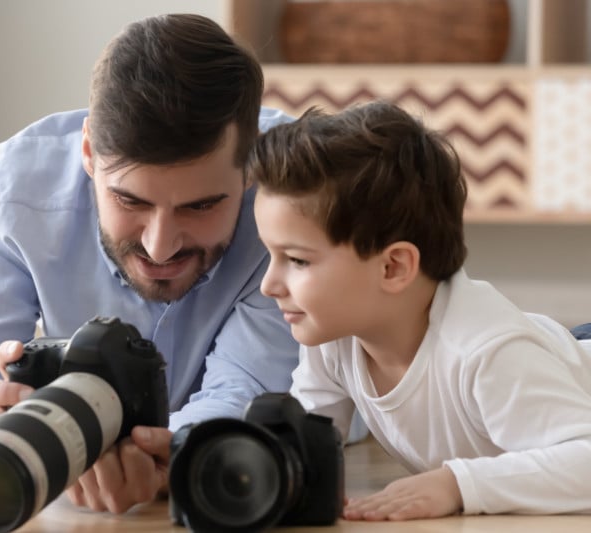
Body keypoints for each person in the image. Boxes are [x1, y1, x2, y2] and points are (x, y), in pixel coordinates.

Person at [0, 13, 303, 514]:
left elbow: (248, 391)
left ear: (249, 167)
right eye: (131, 202)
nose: (161, 246)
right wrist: (1, 442)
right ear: (88, 152)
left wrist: (172, 460)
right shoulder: (13, 197)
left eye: (201, 205)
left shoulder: (297, 193)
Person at [246, 101, 591, 520]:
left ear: (393, 267)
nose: (268, 284)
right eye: (270, 255)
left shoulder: (487, 351)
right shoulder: (334, 336)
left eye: (297, 260)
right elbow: (307, 441)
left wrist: (457, 484)